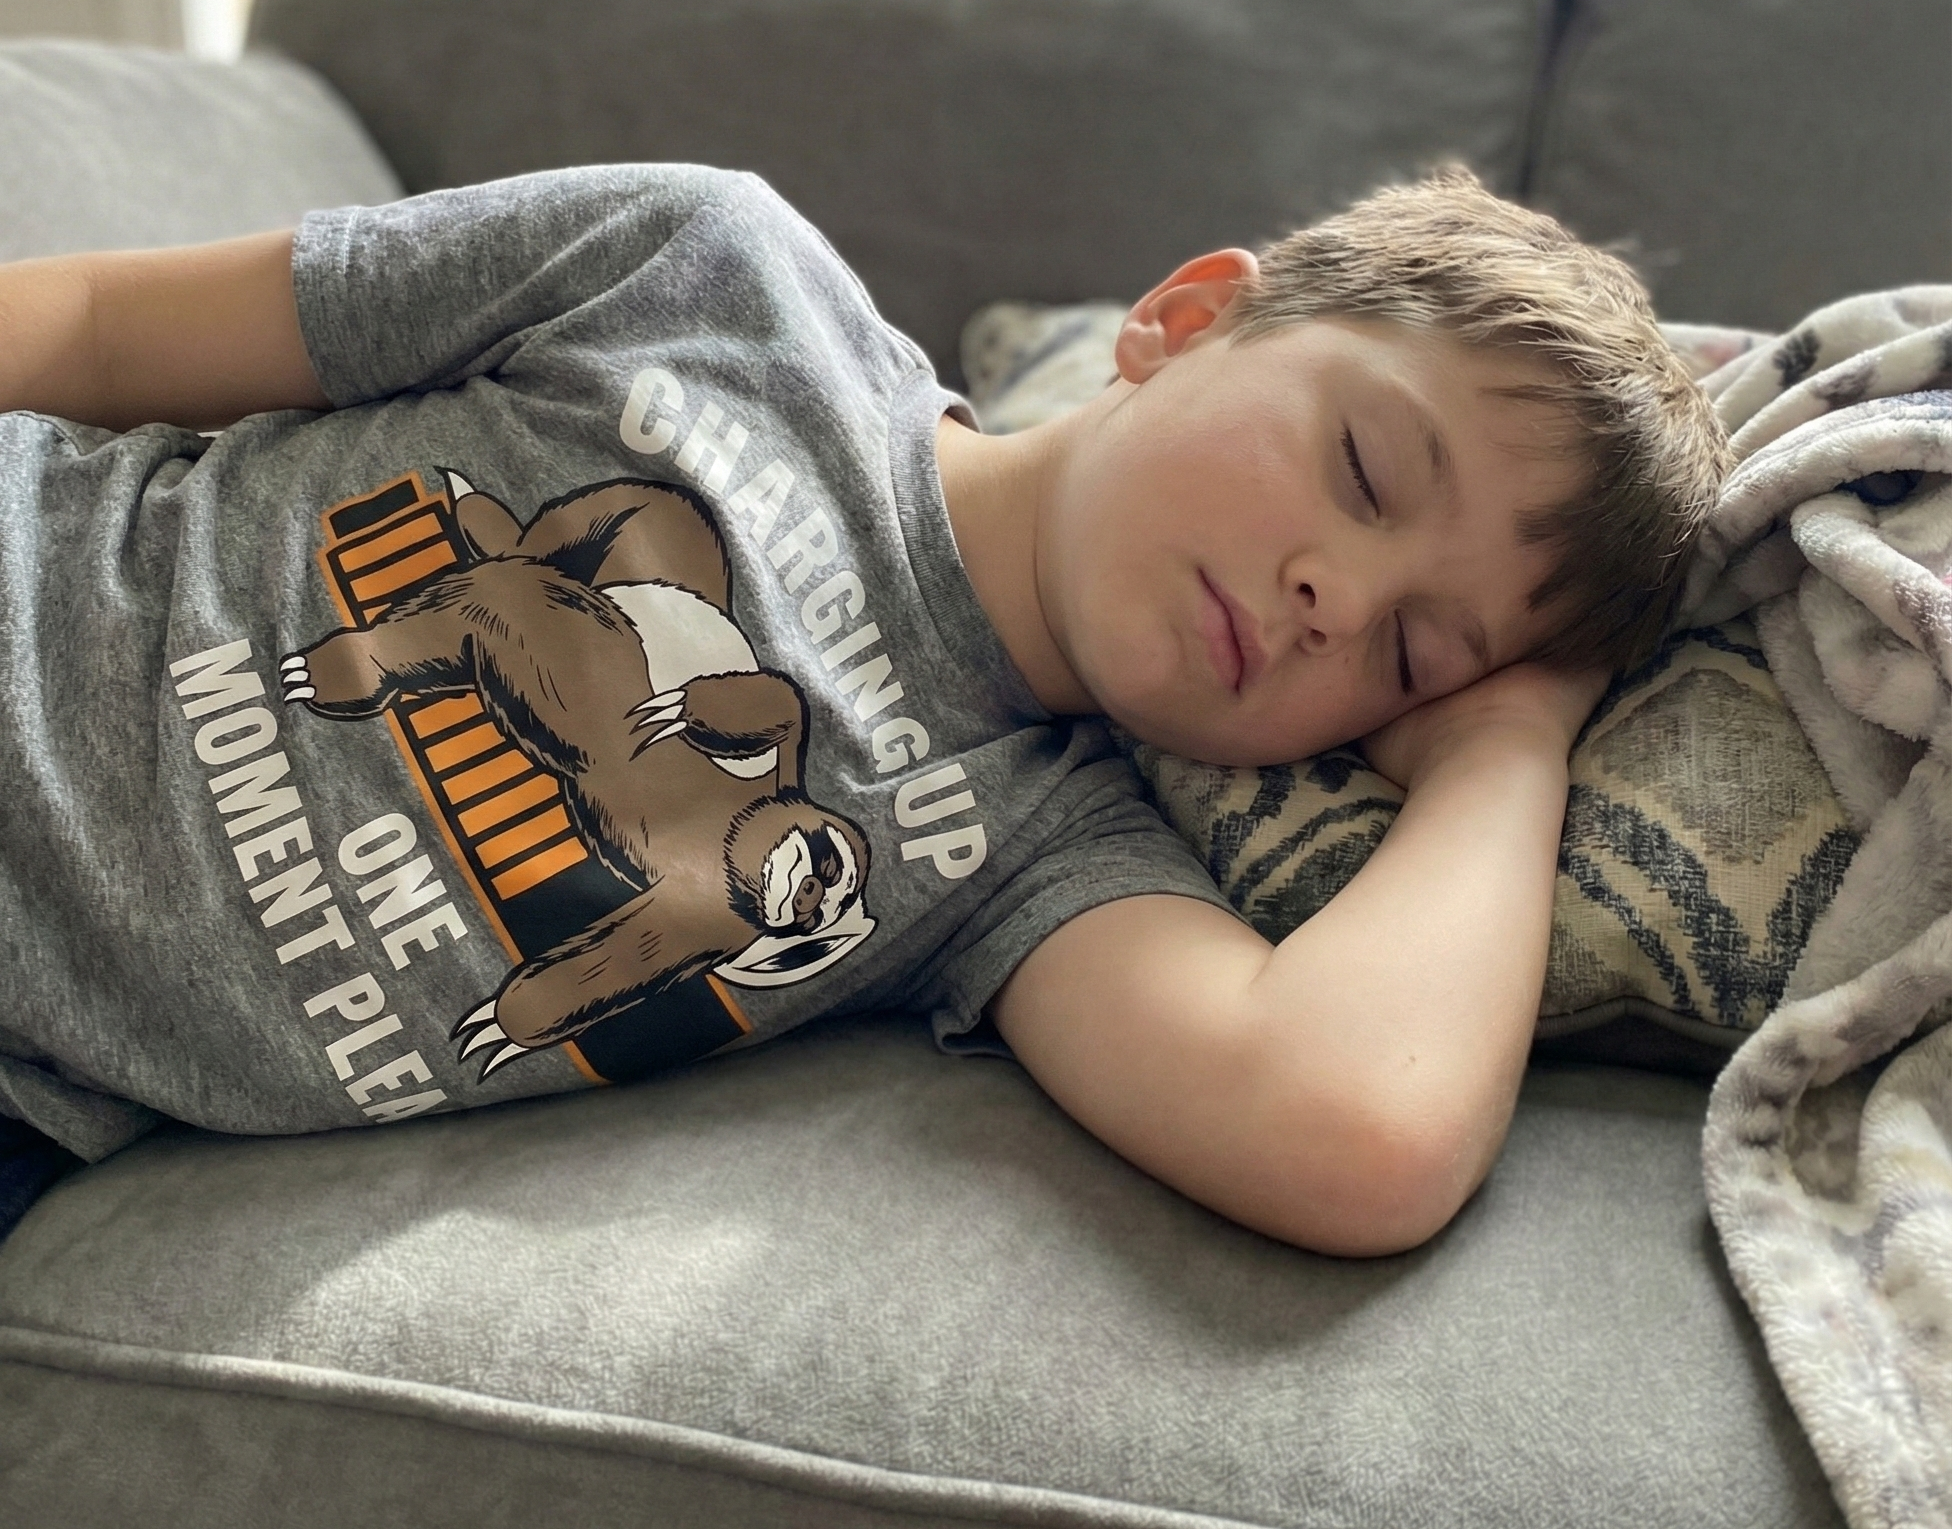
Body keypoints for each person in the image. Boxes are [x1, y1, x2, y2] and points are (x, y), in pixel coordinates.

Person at [0, 160, 1728, 1257]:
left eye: (1410, 654)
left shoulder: (1028, 846)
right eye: (1363, 469)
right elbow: (97, 330)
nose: (1335, 600)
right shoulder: (709, 273)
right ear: (1189, 318)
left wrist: (1506, 749)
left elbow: (1356, 1131)